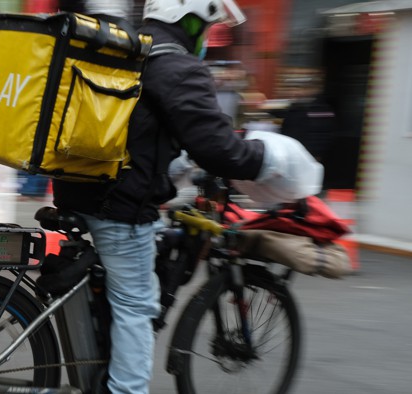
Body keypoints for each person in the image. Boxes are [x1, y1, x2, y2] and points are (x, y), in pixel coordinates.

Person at [52, 1, 321, 393]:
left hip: (76, 189)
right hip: (119, 205)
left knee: (116, 291)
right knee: (136, 305)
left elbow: (142, 130)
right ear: (191, 20)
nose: (208, 38)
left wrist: (176, 164)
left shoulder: (130, 49)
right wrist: (271, 160)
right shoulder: (176, 65)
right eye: (208, 28)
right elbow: (217, 148)